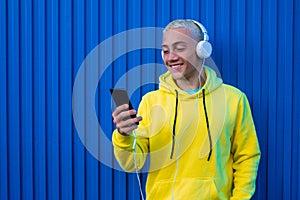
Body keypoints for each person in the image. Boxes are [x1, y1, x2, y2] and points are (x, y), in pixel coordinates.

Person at [112, 19, 261, 199]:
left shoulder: (234, 99)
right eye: (165, 50)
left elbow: (247, 158)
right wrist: (124, 136)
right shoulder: (151, 101)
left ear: (202, 49)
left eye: (180, 48)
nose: (171, 57)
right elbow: (132, 164)